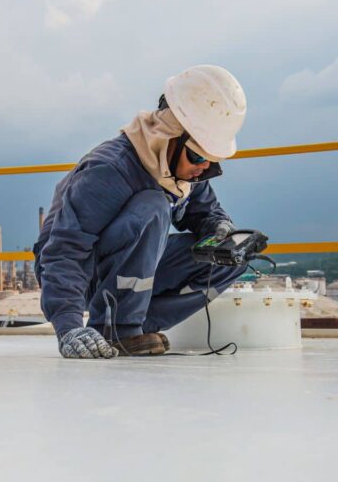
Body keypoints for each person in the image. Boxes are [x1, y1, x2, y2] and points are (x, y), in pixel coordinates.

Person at [32, 65, 249, 358]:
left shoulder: (181, 170)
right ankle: (116, 327)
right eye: (199, 156)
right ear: (170, 136)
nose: (204, 168)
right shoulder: (111, 170)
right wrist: (69, 326)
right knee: (153, 207)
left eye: (213, 161)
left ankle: (132, 326)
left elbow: (205, 212)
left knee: (230, 258)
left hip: (132, 265)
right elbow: (65, 250)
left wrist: (221, 231)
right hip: (79, 274)